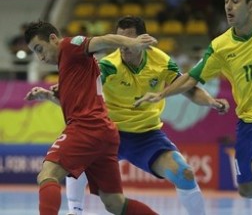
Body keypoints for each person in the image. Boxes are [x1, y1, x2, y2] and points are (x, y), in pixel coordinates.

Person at [134, 0, 252, 215]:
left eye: (235, 1)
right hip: (246, 123)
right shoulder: (220, 46)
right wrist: (162, 94)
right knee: (246, 188)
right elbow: (191, 78)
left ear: (251, 5)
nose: (228, 6)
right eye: (226, 1)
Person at [29, 16, 229, 215]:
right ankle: (75, 210)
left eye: (129, 40)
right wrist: (53, 95)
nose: (123, 46)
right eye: (121, 40)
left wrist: (211, 101)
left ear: (141, 39)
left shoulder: (161, 61)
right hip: (111, 129)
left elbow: (188, 88)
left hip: (145, 136)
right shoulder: (108, 66)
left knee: (184, 174)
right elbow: (83, 99)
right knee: (102, 189)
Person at [24, 20, 159, 215]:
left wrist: (132, 43)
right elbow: (77, 105)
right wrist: (47, 96)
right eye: (35, 53)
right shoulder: (70, 64)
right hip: (103, 132)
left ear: (53, 39)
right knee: (114, 203)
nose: (40, 57)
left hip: (86, 128)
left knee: (48, 173)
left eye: (39, 49)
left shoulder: (70, 46)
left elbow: (104, 40)